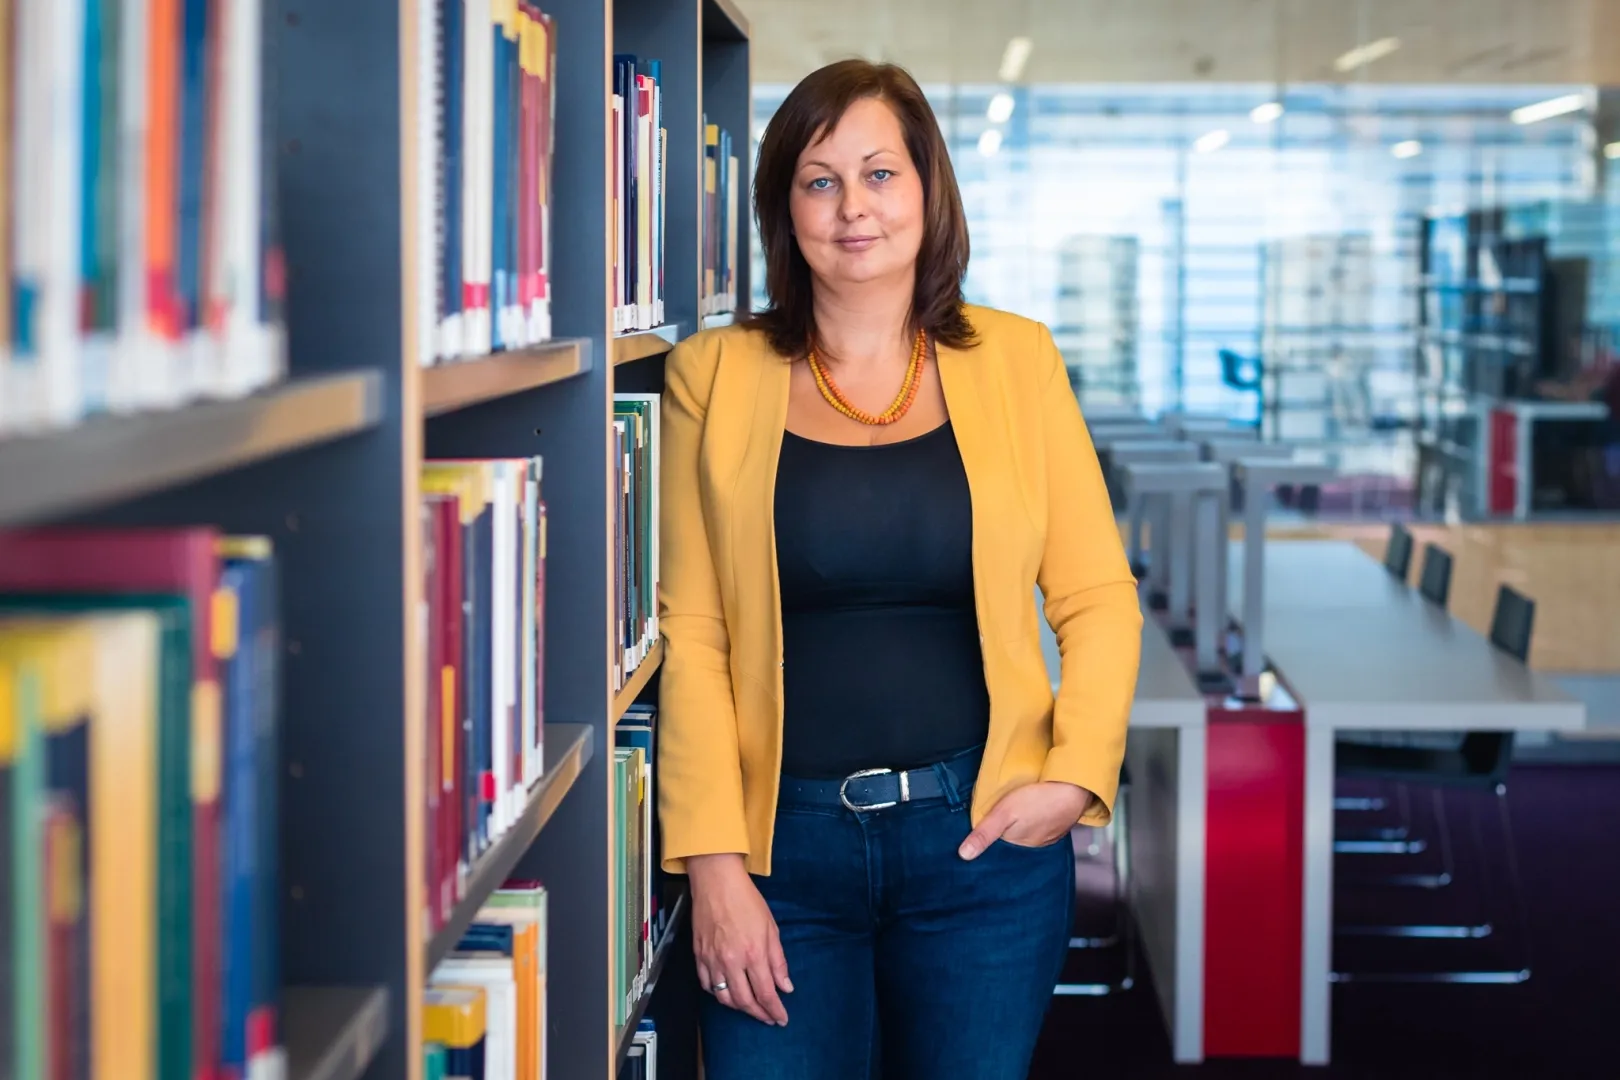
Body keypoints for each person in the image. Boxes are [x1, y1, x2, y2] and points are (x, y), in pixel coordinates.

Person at [657, 59, 1143, 1079]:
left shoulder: (1018, 360)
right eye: (820, 180)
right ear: (783, 208)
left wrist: (1074, 776)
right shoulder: (713, 375)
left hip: (982, 845)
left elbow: (1096, 596)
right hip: (776, 851)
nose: (853, 209)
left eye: (881, 174)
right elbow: (694, 635)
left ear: (930, 191)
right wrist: (712, 865)